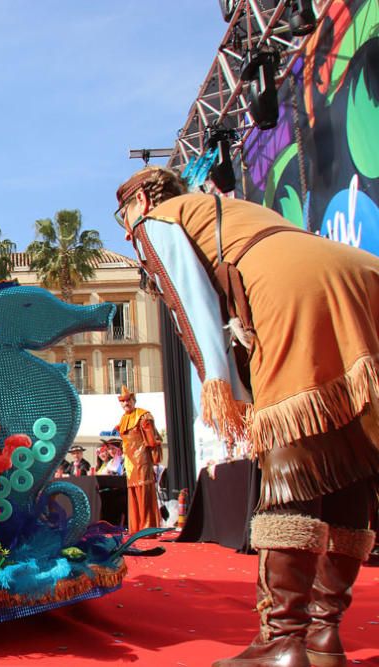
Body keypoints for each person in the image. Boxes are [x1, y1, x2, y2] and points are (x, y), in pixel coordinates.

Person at [115, 166, 379, 667]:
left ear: (140, 203)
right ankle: (324, 637)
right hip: (362, 274)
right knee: (351, 462)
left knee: (291, 463)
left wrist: (221, 392)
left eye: (124, 216)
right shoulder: (230, 209)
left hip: (297, 292)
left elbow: (191, 312)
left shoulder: (158, 221)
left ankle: (283, 642)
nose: (125, 232)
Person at [114, 385, 162, 532]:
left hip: (142, 458)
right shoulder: (123, 419)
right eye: (122, 401)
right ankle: (136, 527)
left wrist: (154, 456)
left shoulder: (143, 416)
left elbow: (152, 440)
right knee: (134, 491)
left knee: (143, 490)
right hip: (129, 461)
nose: (125, 403)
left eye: (128, 400)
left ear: (134, 400)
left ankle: (147, 527)